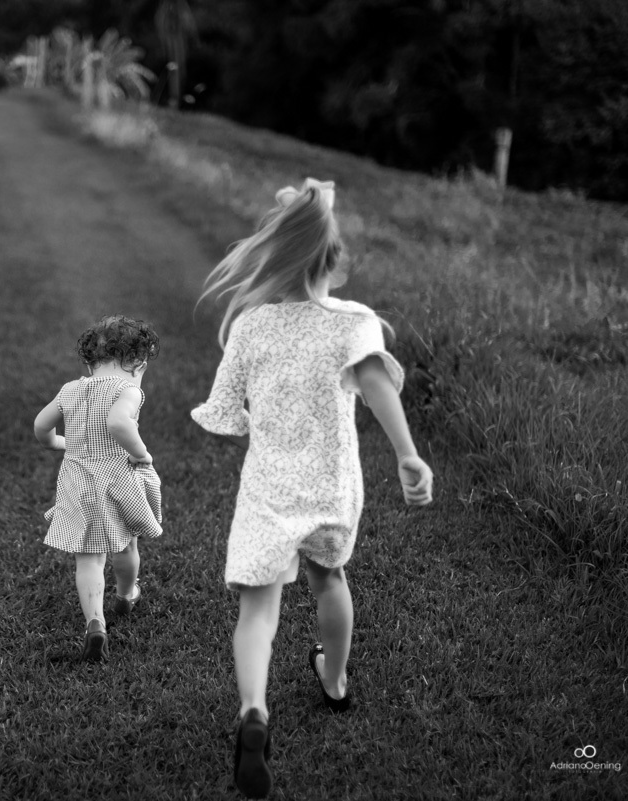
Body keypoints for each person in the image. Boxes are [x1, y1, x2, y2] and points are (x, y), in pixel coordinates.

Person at [191, 179, 434, 798]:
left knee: (257, 610)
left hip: (270, 485)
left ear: (273, 258)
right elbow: (377, 386)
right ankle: (334, 680)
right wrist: (407, 455)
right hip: (332, 484)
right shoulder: (353, 323)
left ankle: (254, 710)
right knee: (330, 579)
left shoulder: (252, 326)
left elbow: (225, 409)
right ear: (336, 262)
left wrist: (257, 421)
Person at [34, 315, 164, 662]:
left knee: (88, 557)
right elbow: (118, 422)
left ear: (90, 363)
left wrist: (58, 443)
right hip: (118, 477)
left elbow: (41, 426)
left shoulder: (70, 390)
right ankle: (125, 594)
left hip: (77, 479)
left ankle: (95, 622)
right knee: (126, 543)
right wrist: (141, 453)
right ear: (138, 364)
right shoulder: (128, 390)